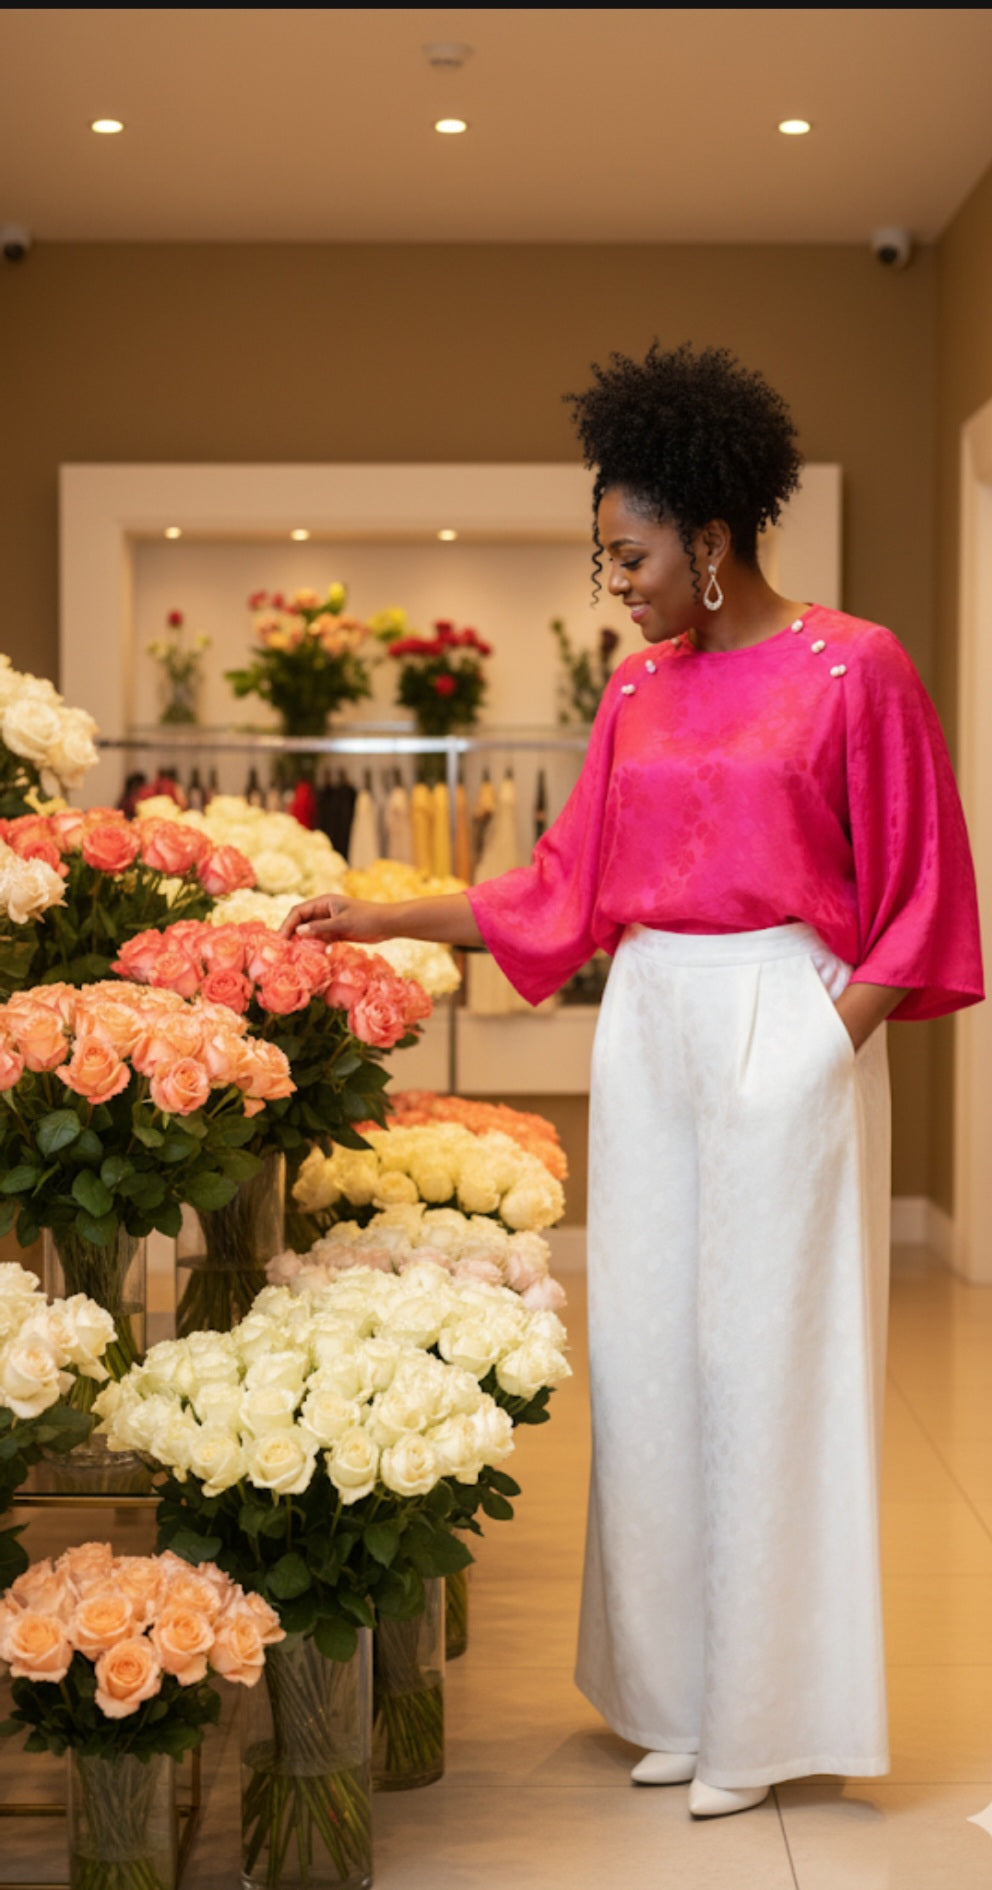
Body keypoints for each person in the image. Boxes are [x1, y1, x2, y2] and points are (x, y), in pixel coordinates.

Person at [281, 343, 983, 1819]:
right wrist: (386, 912)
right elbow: (563, 882)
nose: (618, 583)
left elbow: (925, 893)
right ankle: (674, 1694)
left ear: (713, 540)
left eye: (634, 555)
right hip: (653, 1020)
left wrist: (823, 1045)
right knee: (654, 1366)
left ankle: (766, 1718)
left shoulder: (857, 667)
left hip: (788, 1015)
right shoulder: (638, 690)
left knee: (769, 1371)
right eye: (607, 557)